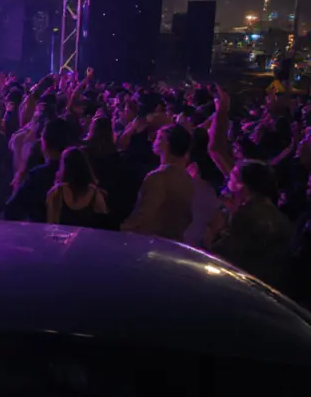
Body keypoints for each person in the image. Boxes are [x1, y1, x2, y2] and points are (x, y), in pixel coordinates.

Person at [210, 160, 294, 289]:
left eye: (231, 180)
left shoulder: (245, 216)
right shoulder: (281, 218)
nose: (227, 186)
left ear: (243, 187)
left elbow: (221, 257)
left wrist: (214, 231)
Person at [122, 124, 196, 241]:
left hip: (152, 244)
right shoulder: (187, 178)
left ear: (166, 143)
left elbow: (143, 219)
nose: (154, 140)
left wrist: (121, 231)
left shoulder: (157, 178)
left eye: (159, 137)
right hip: (174, 244)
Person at [4, 119, 71, 223]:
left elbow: (10, 211)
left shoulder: (37, 176)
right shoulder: (79, 173)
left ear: (44, 143)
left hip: (40, 234)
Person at [44, 147, 109, 228]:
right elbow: (102, 225)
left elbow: (51, 225)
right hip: (87, 240)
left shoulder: (56, 193)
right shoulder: (95, 194)